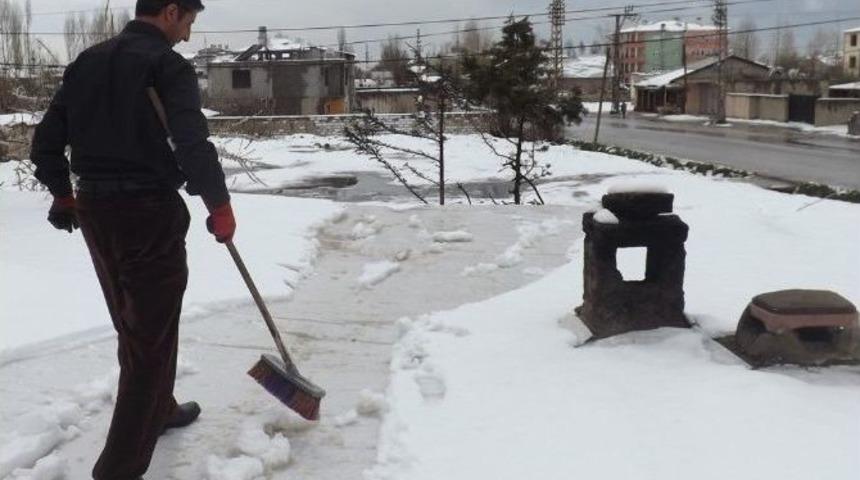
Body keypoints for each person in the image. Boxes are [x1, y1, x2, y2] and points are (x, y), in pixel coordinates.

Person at [29, 1, 234, 478]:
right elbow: (191, 141)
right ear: (169, 12)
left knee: (137, 324)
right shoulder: (167, 64)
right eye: (188, 22)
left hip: (97, 212)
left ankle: (159, 409)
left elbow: (46, 142)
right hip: (148, 214)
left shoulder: (87, 60)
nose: (187, 35)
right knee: (150, 339)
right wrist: (220, 206)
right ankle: (118, 468)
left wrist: (64, 195)